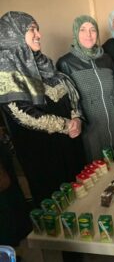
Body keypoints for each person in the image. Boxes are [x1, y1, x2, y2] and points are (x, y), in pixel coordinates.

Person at [0, 11, 85, 205]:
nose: (39, 35)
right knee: (58, 204)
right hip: (43, 153)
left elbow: (69, 93)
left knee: (81, 196)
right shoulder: (6, 71)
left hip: (70, 144)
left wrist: (77, 117)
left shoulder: (43, 63)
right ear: (14, 34)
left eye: (38, 29)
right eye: (32, 30)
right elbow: (21, 114)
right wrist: (66, 125)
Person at [57, 15, 114, 162]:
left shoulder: (106, 58)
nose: (88, 35)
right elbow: (67, 102)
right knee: (99, 169)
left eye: (92, 30)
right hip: (91, 124)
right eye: (83, 30)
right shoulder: (66, 63)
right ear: (76, 33)